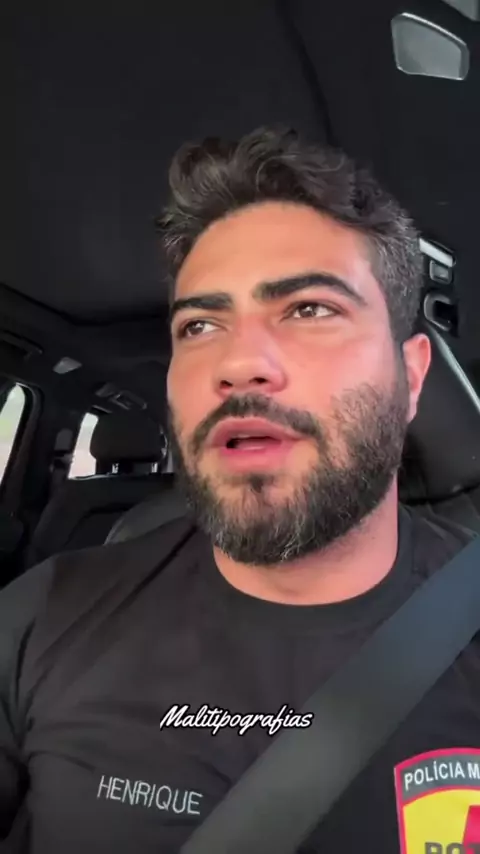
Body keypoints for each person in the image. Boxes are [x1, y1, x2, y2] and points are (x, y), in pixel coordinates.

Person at [0, 126, 478, 854]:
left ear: (411, 377)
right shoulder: (41, 615)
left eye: (309, 309)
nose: (238, 363)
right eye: (200, 324)